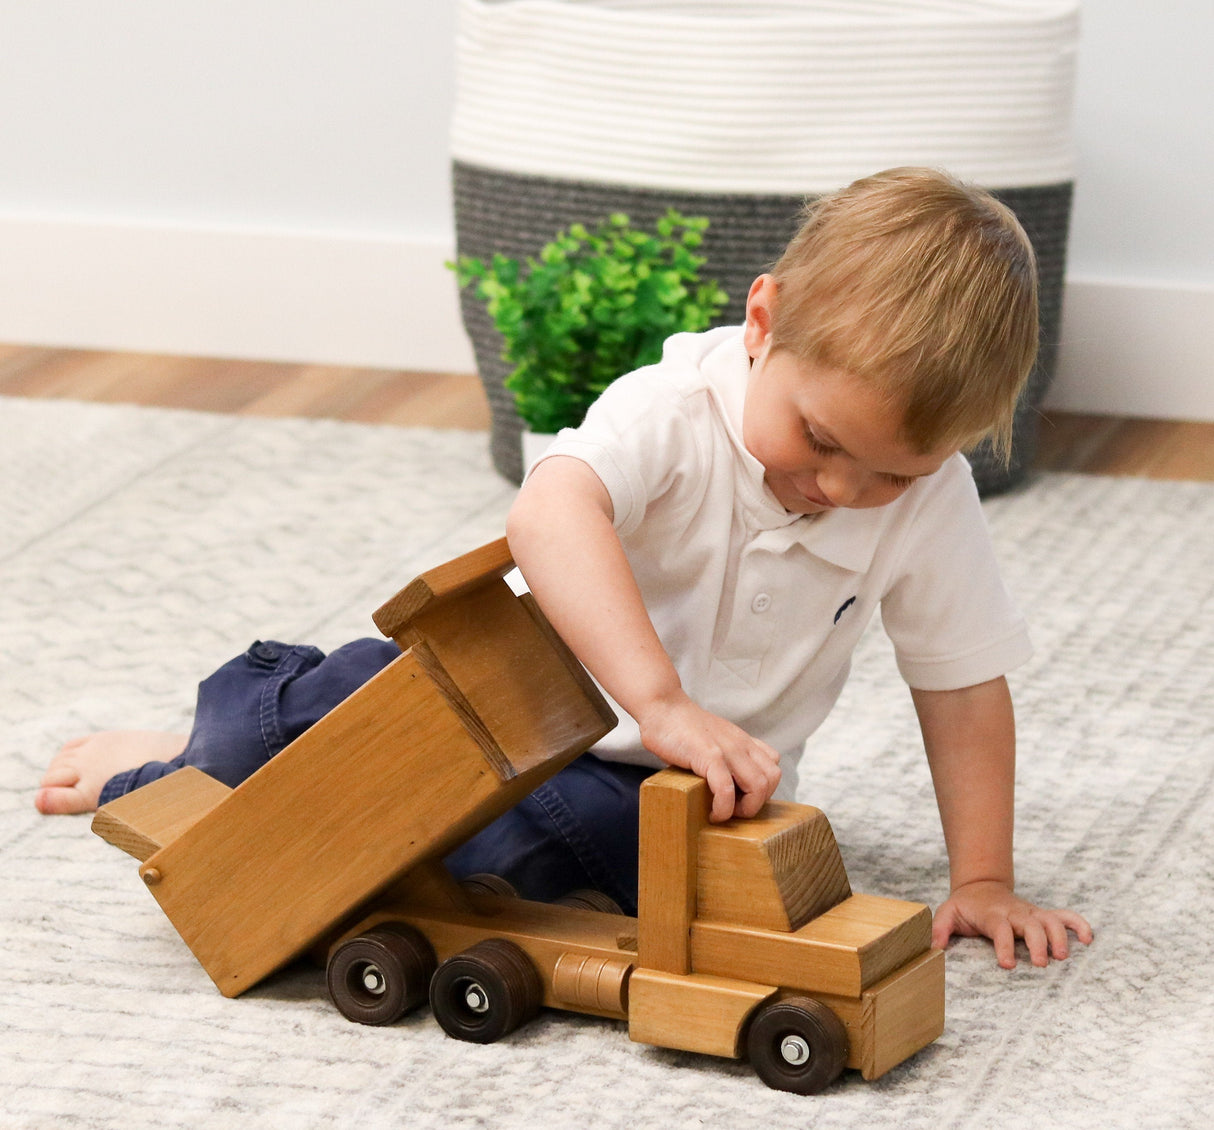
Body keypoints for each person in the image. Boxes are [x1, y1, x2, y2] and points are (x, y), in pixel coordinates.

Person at [37, 167, 1091, 968]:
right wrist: (660, 701)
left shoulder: (932, 498)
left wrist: (983, 877)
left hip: (669, 790)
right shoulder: (670, 411)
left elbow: (962, 685)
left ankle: (396, 835)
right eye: (818, 439)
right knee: (340, 727)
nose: (840, 488)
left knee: (542, 872)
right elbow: (549, 510)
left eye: (891, 474)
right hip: (504, 714)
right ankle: (183, 748)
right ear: (762, 324)